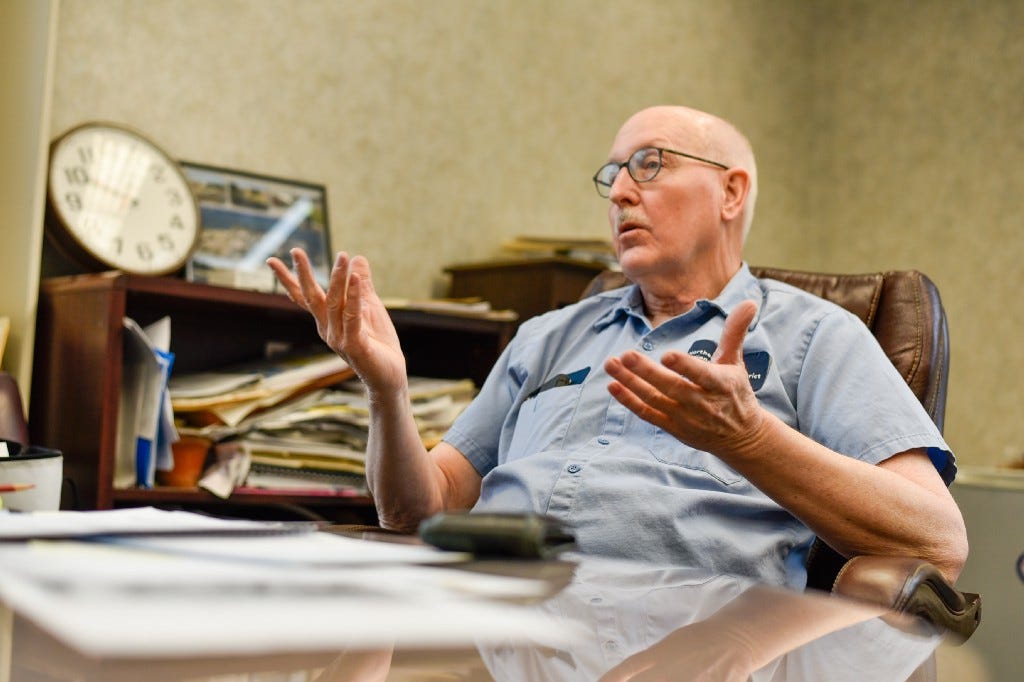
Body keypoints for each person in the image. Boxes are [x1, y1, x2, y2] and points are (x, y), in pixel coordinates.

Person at [268, 105, 967, 589]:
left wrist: (750, 439)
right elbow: (416, 514)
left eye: (650, 164)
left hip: (690, 638)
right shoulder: (547, 336)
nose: (621, 192)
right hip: (487, 619)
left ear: (731, 191)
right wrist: (386, 392)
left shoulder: (817, 335)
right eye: (613, 175)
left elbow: (937, 541)